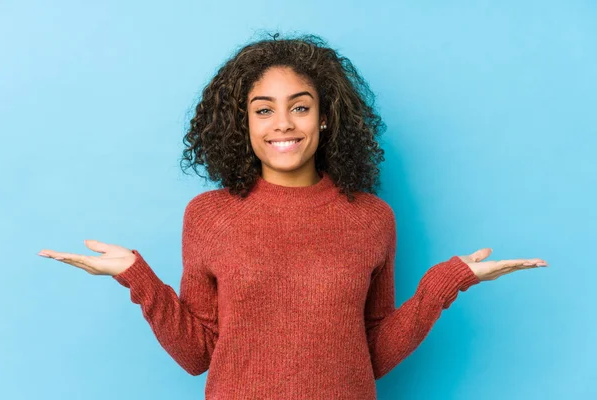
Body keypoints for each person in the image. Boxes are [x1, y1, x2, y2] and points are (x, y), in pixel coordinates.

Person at [37, 33, 548, 399]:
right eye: (263, 110)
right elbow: (198, 354)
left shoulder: (371, 218)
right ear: (244, 124)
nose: (283, 123)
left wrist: (444, 283)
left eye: (300, 107)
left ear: (325, 117)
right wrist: (136, 277)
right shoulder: (209, 215)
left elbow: (371, 355)